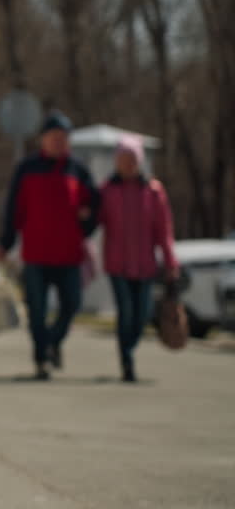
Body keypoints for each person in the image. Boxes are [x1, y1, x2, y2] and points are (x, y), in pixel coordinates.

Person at [0, 111, 100, 380]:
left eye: (64, 138)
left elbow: (95, 206)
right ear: (43, 139)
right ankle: (41, 358)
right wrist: (5, 243)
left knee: (71, 304)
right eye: (54, 137)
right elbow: (13, 210)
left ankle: (54, 341)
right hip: (36, 254)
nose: (59, 142)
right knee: (37, 310)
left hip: (69, 254)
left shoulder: (78, 170)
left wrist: (86, 224)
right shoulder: (27, 169)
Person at [100, 136, 178, 383]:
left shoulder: (153, 192)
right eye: (123, 159)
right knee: (125, 311)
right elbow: (92, 221)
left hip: (145, 264)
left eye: (132, 159)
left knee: (142, 314)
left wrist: (171, 263)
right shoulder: (107, 190)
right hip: (117, 264)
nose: (127, 164)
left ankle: (129, 348)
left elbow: (164, 232)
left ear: (139, 161)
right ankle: (126, 359)